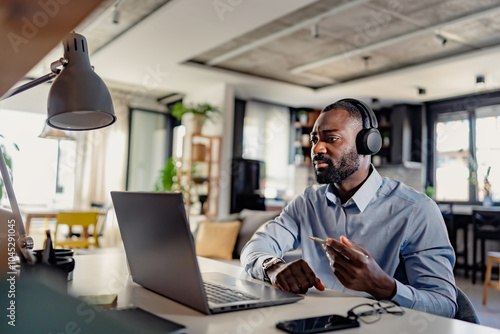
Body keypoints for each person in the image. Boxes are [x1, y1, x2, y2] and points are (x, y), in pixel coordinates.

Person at [240, 99, 457, 317]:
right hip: (312, 322)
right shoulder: (307, 202)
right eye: (314, 139)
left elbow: (444, 305)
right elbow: (256, 246)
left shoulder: (416, 211)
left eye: (331, 139)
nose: (317, 148)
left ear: (367, 144)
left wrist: (382, 286)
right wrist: (273, 266)